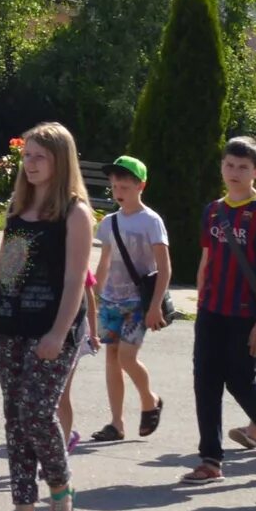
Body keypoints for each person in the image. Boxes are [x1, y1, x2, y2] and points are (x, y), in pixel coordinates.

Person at [0, 121, 91, 511]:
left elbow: (75, 280)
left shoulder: (74, 213)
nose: (30, 164)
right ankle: (22, 510)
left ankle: (60, 484)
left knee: (36, 411)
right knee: (15, 416)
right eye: (27, 156)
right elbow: (6, 268)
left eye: (39, 156)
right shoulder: (20, 210)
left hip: (53, 326)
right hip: (11, 323)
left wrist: (57, 334)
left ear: (60, 160)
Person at [184, 136, 256, 484]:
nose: (234, 172)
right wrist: (200, 304)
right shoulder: (213, 210)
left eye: (243, 167)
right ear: (222, 166)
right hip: (211, 311)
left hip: (247, 310)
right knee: (205, 382)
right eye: (229, 165)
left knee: (240, 381)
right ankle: (210, 460)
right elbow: (206, 261)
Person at [88, 155, 167, 445]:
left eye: (125, 186)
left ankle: (150, 400)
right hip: (111, 299)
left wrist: (156, 304)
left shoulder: (151, 221)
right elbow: (105, 260)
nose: (118, 191)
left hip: (137, 302)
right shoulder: (109, 222)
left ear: (141, 186)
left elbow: (164, 266)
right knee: (111, 357)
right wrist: (95, 293)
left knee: (127, 357)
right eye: (115, 185)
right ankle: (116, 423)